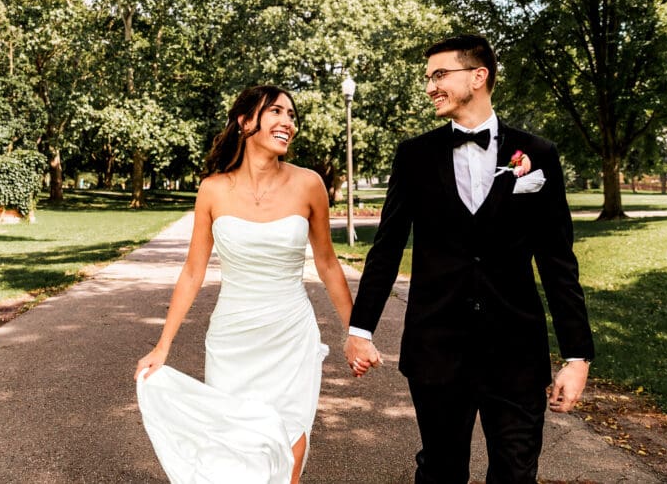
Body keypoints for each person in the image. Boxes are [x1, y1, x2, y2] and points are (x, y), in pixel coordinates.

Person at [345, 34, 595, 484]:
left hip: (516, 349)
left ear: (478, 76)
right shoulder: (414, 157)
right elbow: (385, 250)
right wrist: (360, 330)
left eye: (440, 75)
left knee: (517, 474)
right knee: (441, 471)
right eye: (428, 78)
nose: (429, 87)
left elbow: (558, 261)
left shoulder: (537, 155)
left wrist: (578, 357)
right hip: (437, 348)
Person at [135, 85, 369, 484]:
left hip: (291, 334)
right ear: (245, 122)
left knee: (291, 442)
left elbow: (328, 265)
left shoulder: (309, 184)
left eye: (292, 115)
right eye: (276, 112)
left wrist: (356, 332)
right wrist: (163, 345)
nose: (287, 123)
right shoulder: (212, 189)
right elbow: (193, 271)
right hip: (233, 339)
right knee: (237, 446)